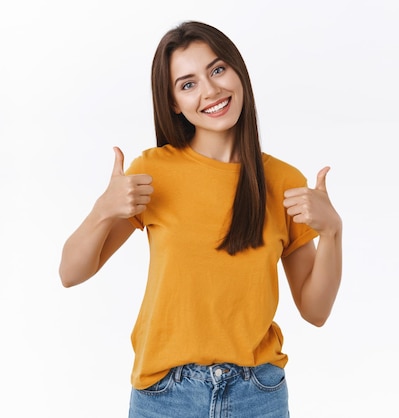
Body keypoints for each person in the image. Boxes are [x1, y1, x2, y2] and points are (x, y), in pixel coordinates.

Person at [58, 20, 342, 418]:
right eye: (187, 84)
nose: (210, 91)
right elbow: (70, 272)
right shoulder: (154, 171)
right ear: (173, 102)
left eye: (217, 69)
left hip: (257, 393)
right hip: (164, 395)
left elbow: (316, 311)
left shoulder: (283, 181)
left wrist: (332, 232)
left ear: (238, 72)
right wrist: (103, 209)